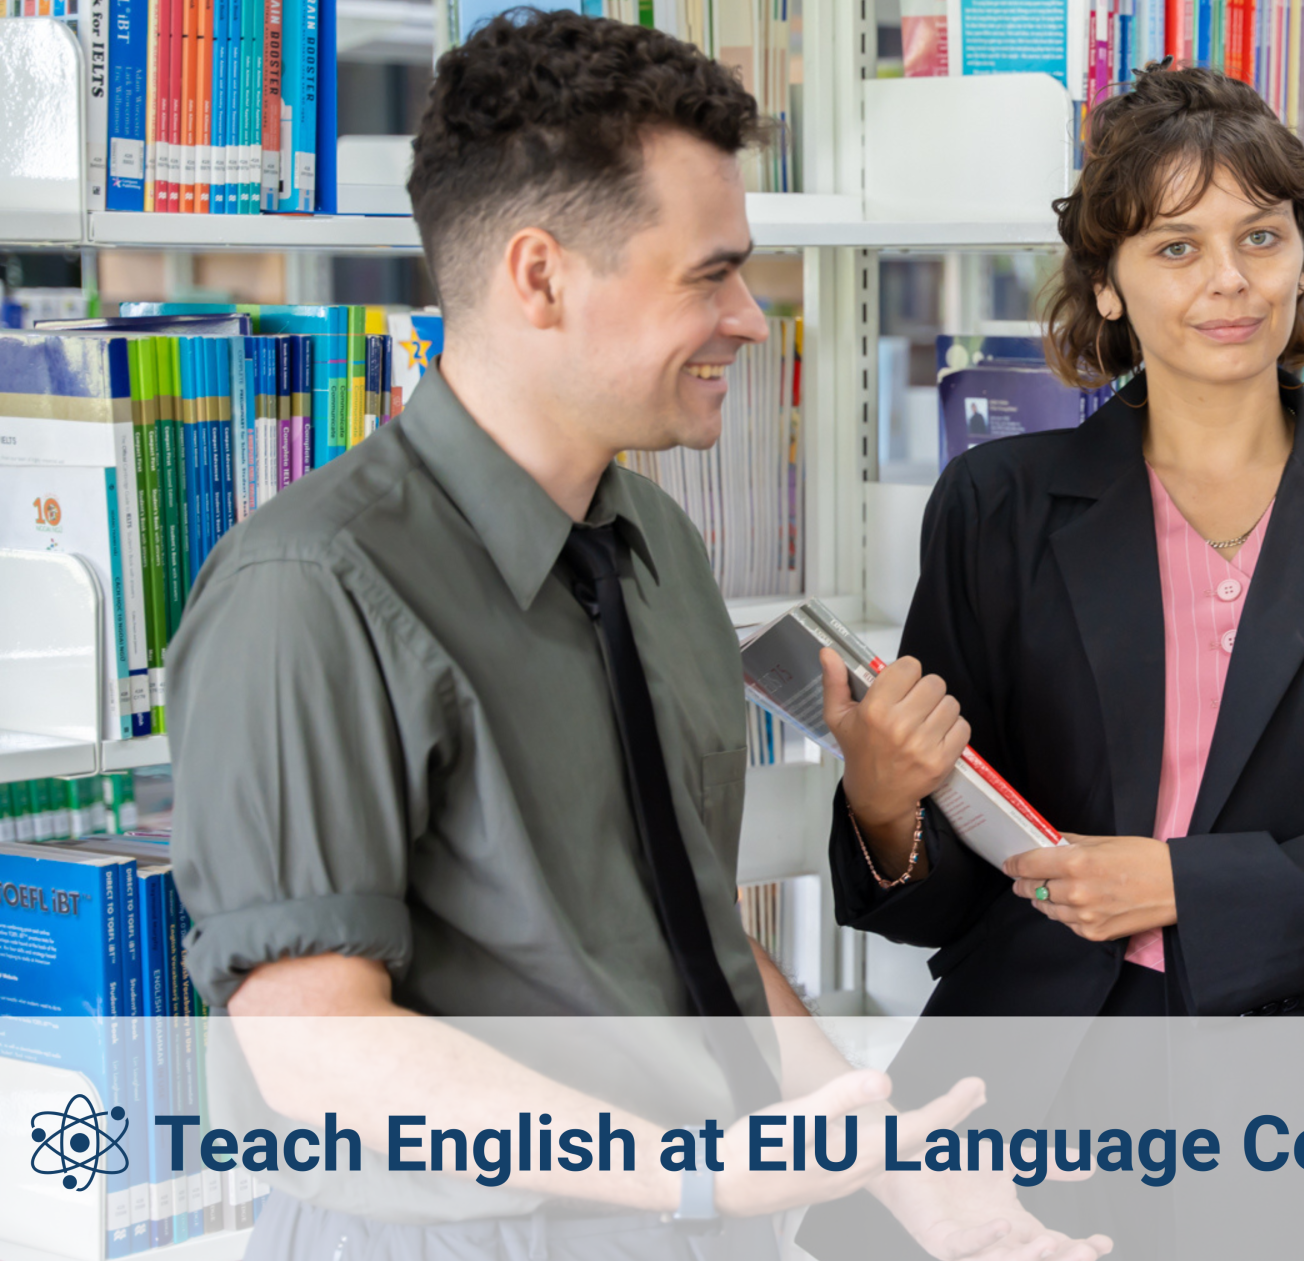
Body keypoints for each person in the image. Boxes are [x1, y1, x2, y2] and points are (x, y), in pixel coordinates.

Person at [168, 13, 1103, 1260]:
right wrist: (692, 1174)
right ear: (540, 276)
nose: (750, 320)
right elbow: (313, 1044)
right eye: (708, 276)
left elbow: (689, 931)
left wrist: (894, 1167)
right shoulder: (310, 587)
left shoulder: (652, 543)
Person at [824, 63, 1304, 1020]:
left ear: (1300, 261)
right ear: (1107, 286)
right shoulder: (998, 505)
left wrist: (1182, 883)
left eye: (1261, 237)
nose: (1229, 279)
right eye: (1177, 247)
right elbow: (949, 883)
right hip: (1046, 1047)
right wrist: (880, 803)